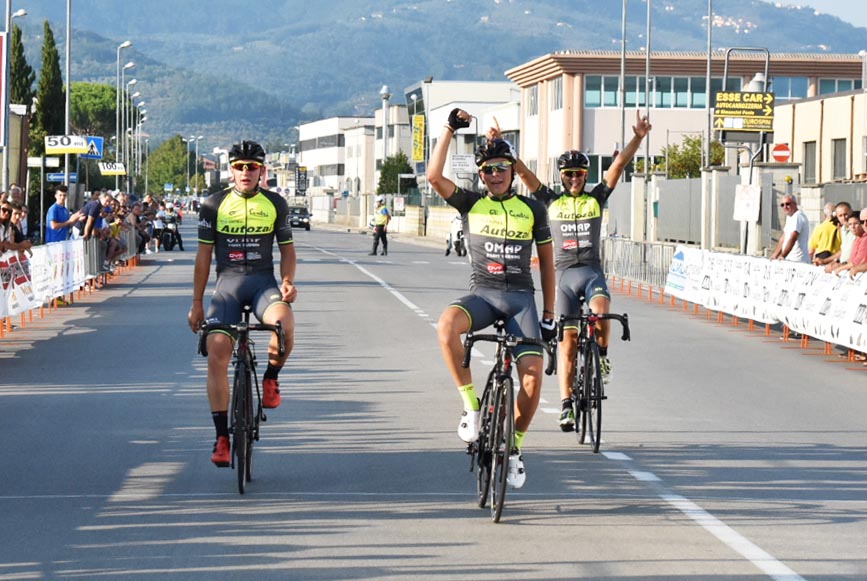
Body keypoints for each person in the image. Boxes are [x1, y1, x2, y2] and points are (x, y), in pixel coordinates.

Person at [427, 108, 555, 490]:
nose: (495, 175)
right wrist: (450, 128)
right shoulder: (471, 203)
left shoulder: (533, 209)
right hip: (483, 295)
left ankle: (514, 447)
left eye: (502, 168)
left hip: (521, 300)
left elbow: (548, 265)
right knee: (446, 325)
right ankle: (472, 407)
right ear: (480, 175)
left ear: (513, 171)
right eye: (488, 170)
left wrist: (549, 314)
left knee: (532, 378)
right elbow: (434, 177)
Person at [506, 110, 651, 431]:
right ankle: (566, 405)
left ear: (586, 176)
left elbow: (618, 166)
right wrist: (504, 148)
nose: (574, 179)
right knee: (568, 344)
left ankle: (603, 355)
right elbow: (525, 174)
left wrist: (637, 138)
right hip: (564, 279)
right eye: (569, 174)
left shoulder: (596, 198)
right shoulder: (551, 201)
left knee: (601, 310)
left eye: (580, 174)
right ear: (562, 176)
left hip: (591, 272)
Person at [187, 140, 298, 468]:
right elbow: (203, 258)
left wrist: (288, 280)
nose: (246, 172)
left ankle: (271, 377)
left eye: (252, 166)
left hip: (263, 283)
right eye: (239, 166)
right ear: (231, 170)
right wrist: (196, 303)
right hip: (228, 286)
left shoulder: (275, 203)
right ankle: (222, 437)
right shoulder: (213, 204)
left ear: (262, 170)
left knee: (285, 325)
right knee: (217, 351)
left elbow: (287, 249)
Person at [770, 194, 810, 262]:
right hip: (790, 259)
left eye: (787, 204)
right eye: (782, 205)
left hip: (798, 260)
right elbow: (783, 238)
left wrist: (783, 255)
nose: (785, 207)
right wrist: (775, 255)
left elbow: (793, 237)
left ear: (794, 204)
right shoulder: (789, 216)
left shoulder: (798, 216)